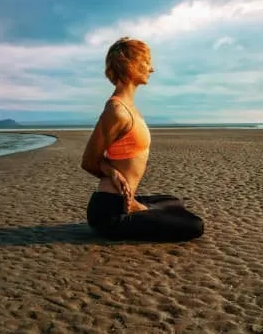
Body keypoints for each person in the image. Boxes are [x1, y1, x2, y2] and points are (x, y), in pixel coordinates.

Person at [81, 36, 204, 242]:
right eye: (147, 62)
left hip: (122, 200)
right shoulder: (116, 110)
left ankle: (138, 207)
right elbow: (88, 161)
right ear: (130, 64)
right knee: (194, 225)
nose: (151, 69)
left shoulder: (130, 107)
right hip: (110, 213)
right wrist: (113, 173)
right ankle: (135, 209)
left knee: (172, 202)